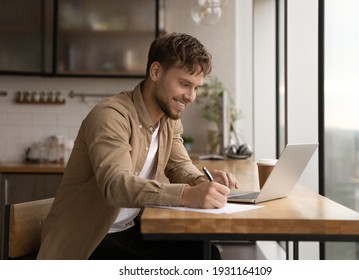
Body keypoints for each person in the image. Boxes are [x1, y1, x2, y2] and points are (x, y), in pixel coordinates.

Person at [37, 33, 238, 260]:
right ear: (155, 72)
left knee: (206, 253)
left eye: (196, 87)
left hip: (129, 231)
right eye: (184, 84)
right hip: (86, 243)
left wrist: (203, 183)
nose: (191, 96)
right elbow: (116, 185)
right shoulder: (111, 116)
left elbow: (179, 166)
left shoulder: (169, 120)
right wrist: (187, 195)